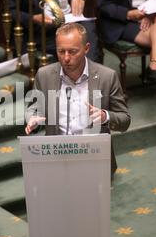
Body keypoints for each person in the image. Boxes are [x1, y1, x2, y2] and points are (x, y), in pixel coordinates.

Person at [25, 23, 131, 174]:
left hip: (95, 160)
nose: (66, 58)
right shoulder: (44, 75)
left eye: (72, 51)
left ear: (86, 48)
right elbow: (33, 109)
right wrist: (32, 117)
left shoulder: (107, 77)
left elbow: (125, 121)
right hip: (56, 160)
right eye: (61, 51)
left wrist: (105, 116)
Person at [8, 0, 102, 62]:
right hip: (45, 32)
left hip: (70, 21)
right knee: (74, 45)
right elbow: (11, 11)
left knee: (89, 30)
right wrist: (34, 19)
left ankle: (89, 74)